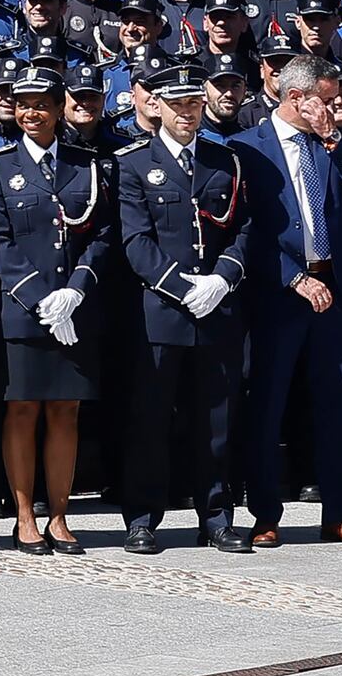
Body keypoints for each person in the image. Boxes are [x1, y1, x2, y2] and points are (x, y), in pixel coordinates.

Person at [106, 77, 251, 556]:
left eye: (193, 103)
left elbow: (242, 229)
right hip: (161, 313)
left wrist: (222, 278)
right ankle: (143, 518)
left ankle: (215, 516)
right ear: (157, 106)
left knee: (215, 421)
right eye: (176, 104)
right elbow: (135, 240)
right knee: (150, 420)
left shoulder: (223, 159)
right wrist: (181, 287)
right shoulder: (131, 163)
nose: (186, 112)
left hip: (216, 309)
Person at [232, 58, 342, 551]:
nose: (336, 107)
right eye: (326, 99)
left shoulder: (332, 144)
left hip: (336, 289)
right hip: (277, 297)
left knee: (336, 404)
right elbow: (246, 232)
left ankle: (340, 515)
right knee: (267, 407)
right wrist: (293, 279)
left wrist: (336, 139)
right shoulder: (246, 149)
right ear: (296, 98)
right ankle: (265, 514)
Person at [0, 68, 107, 554]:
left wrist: (74, 292)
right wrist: (40, 298)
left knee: (65, 412)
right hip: (23, 311)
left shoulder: (87, 164)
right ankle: (23, 515)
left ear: (59, 109)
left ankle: (59, 514)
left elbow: (100, 234)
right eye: (24, 104)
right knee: (22, 410)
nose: (31, 112)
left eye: (42, 104)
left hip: (74, 311)